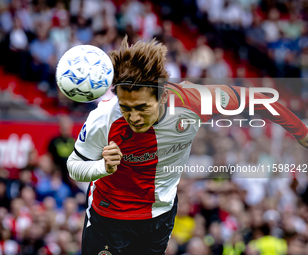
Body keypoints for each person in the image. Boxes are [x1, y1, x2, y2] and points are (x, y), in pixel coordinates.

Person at [67, 37, 308, 255]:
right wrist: (102, 168)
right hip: (108, 218)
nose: (134, 117)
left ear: (162, 96)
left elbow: (259, 101)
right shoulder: (103, 117)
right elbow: (74, 166)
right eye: (127, 107)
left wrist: (302, 133)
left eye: (142, 108)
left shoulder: (191, 102)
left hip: (159, 216)